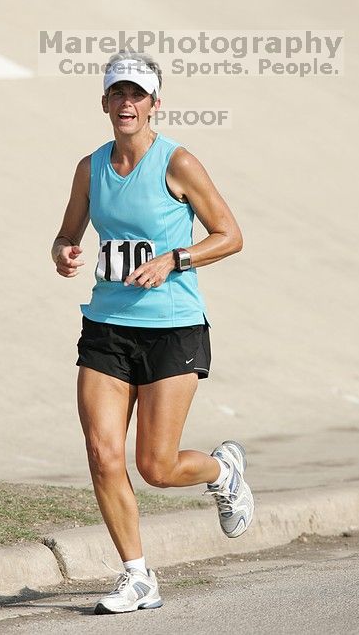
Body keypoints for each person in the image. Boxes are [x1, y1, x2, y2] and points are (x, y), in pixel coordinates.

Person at [51, 51, 254, 615]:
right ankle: (137, 576)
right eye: (118, 94)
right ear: (105, 103)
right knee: (101, 452)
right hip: (106, 328)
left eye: (137, 95)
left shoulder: (178, 162)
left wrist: (174, 259)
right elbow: (67, 232)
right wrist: (64, 251)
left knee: (156, 467)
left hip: (172, 328)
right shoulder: (90, 168)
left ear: (154, 104)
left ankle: (223, 469)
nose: (127, 104)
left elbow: (230, 234)